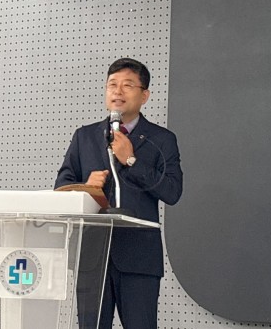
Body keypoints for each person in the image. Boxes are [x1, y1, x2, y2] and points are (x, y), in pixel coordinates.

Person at [54, 58, 183, 329]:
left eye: (128, 85)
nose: (118, 91)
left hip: (139, 258)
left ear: (144, 95)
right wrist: (86, 186)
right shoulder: (85, 137)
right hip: (92, 258)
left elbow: (172, 192)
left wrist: (132, 161)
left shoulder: (162, 139)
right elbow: (61, 189)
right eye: (112, 85)